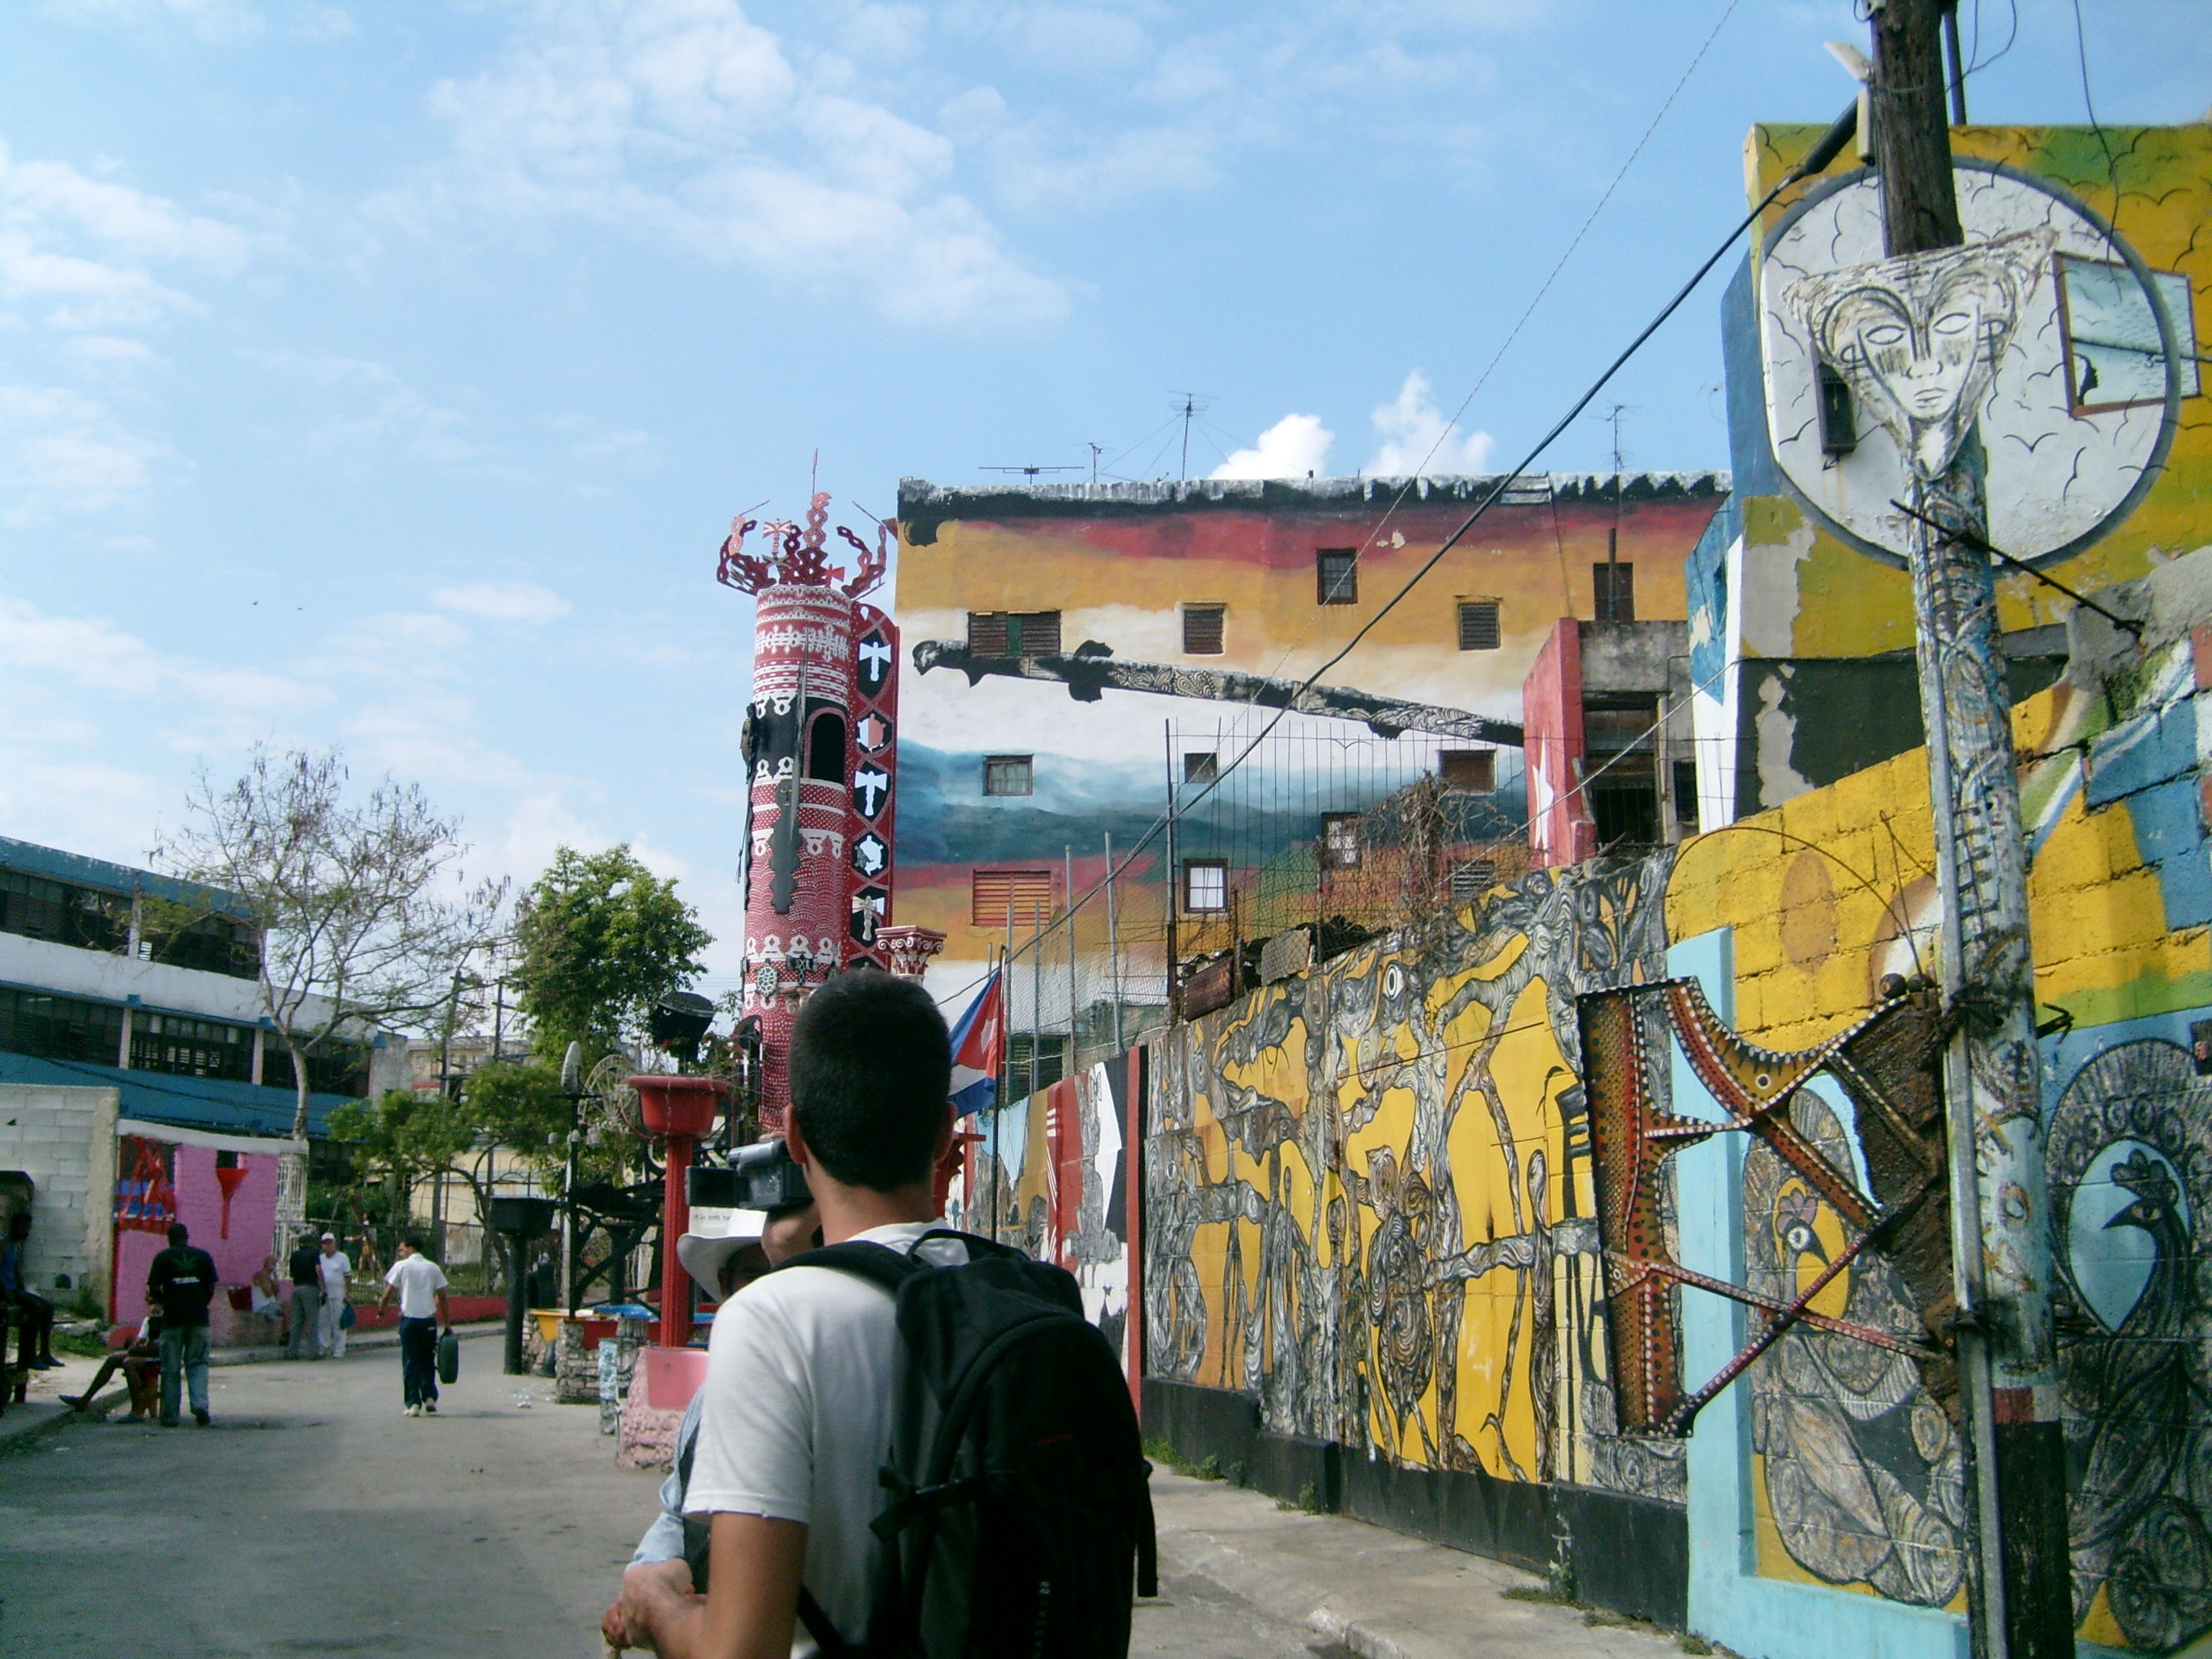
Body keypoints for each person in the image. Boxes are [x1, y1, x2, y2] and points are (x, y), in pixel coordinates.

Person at [613, 971, 960, 1658]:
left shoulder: (774, 1322)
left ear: (795, 1136)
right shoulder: (1031, 1295)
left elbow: (740, 1651)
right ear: (946, 1134)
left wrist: (655, 1607)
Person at [603, 1197, 822, 1647]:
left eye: (783, 1275)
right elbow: (678, 1511)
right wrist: (644, 1583)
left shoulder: (831, 1380)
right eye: (753, 1276)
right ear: (725, 1287)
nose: (767, 1293)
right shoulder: (710, 1396)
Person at [147, 1222, 219, 1427]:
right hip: (199, 1320)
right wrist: (200, 1304)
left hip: (172, 1321)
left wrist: (167, 1301)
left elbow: (153, 1287)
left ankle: (170, 1415)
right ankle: (200, 1406)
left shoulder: (163, 1258)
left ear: (169, 1239)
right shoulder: (203, 1256)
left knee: (170, 1368)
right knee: (197, 1363)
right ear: (187, 1237)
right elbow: (210, 1287)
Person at [375, 1235, 451, 1416]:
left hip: (409, 1321)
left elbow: (387, 1294)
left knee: (410, 1362)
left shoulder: (401, 1267)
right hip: (428, 1322)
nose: (400, 1252)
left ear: (410, 1248)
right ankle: (430, 1397)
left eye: (402, 1249)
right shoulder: (433, 1268)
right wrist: (447, 1323)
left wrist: (381, 1312)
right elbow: (442, 1297)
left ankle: (413, 1403)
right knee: (427, 1360)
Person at [60, 1313, 163, 1421]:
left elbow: (157, 1348)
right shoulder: (150, 1319)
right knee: (113, 1359)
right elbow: (142, 1340)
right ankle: (85, 1399)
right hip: (148, 1353)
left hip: (162, 1356)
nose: (153, 1308)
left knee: (129, 1363)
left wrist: (137, 1349)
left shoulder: (166, 1319)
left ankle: (136, 1411)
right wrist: (136, 1345)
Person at [1, 1211, 60, 1372]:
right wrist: (7, 1295)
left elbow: (15, 1269)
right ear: (14, 1227)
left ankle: (45, 1352)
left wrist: (21, 1286)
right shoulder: (3, 1243)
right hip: (5, 1291)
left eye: (28, 1228)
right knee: (36, 1309)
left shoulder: (17, 1245)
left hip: (14, 1289)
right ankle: (28, 1355)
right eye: (23, 1228)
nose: (27, 1231)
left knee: (48, 1306)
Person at [285, 1232, 323, 1359]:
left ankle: (292, 1352)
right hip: (310, 1288)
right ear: (310, 1243)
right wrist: (323, 1287)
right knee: (312, 1321)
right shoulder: (314, 1254)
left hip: (297, 1288)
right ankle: (313, 1352)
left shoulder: (294, 1255)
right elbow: (318, 1270)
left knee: (296, 1321)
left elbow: (291, 1273)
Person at [314, 1233, 351, 1359]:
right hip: (324, 1295)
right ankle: (324, 1346)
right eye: (325, 1243)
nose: (328, 1246)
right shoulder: (320, 1258)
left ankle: (339, 1349)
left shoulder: (342, 1258)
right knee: (323, 1321)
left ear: (334, 1244)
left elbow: (348, 1277)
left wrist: (348, 1293)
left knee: (338, 1323)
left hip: (338, 1295)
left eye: (330, 1243)